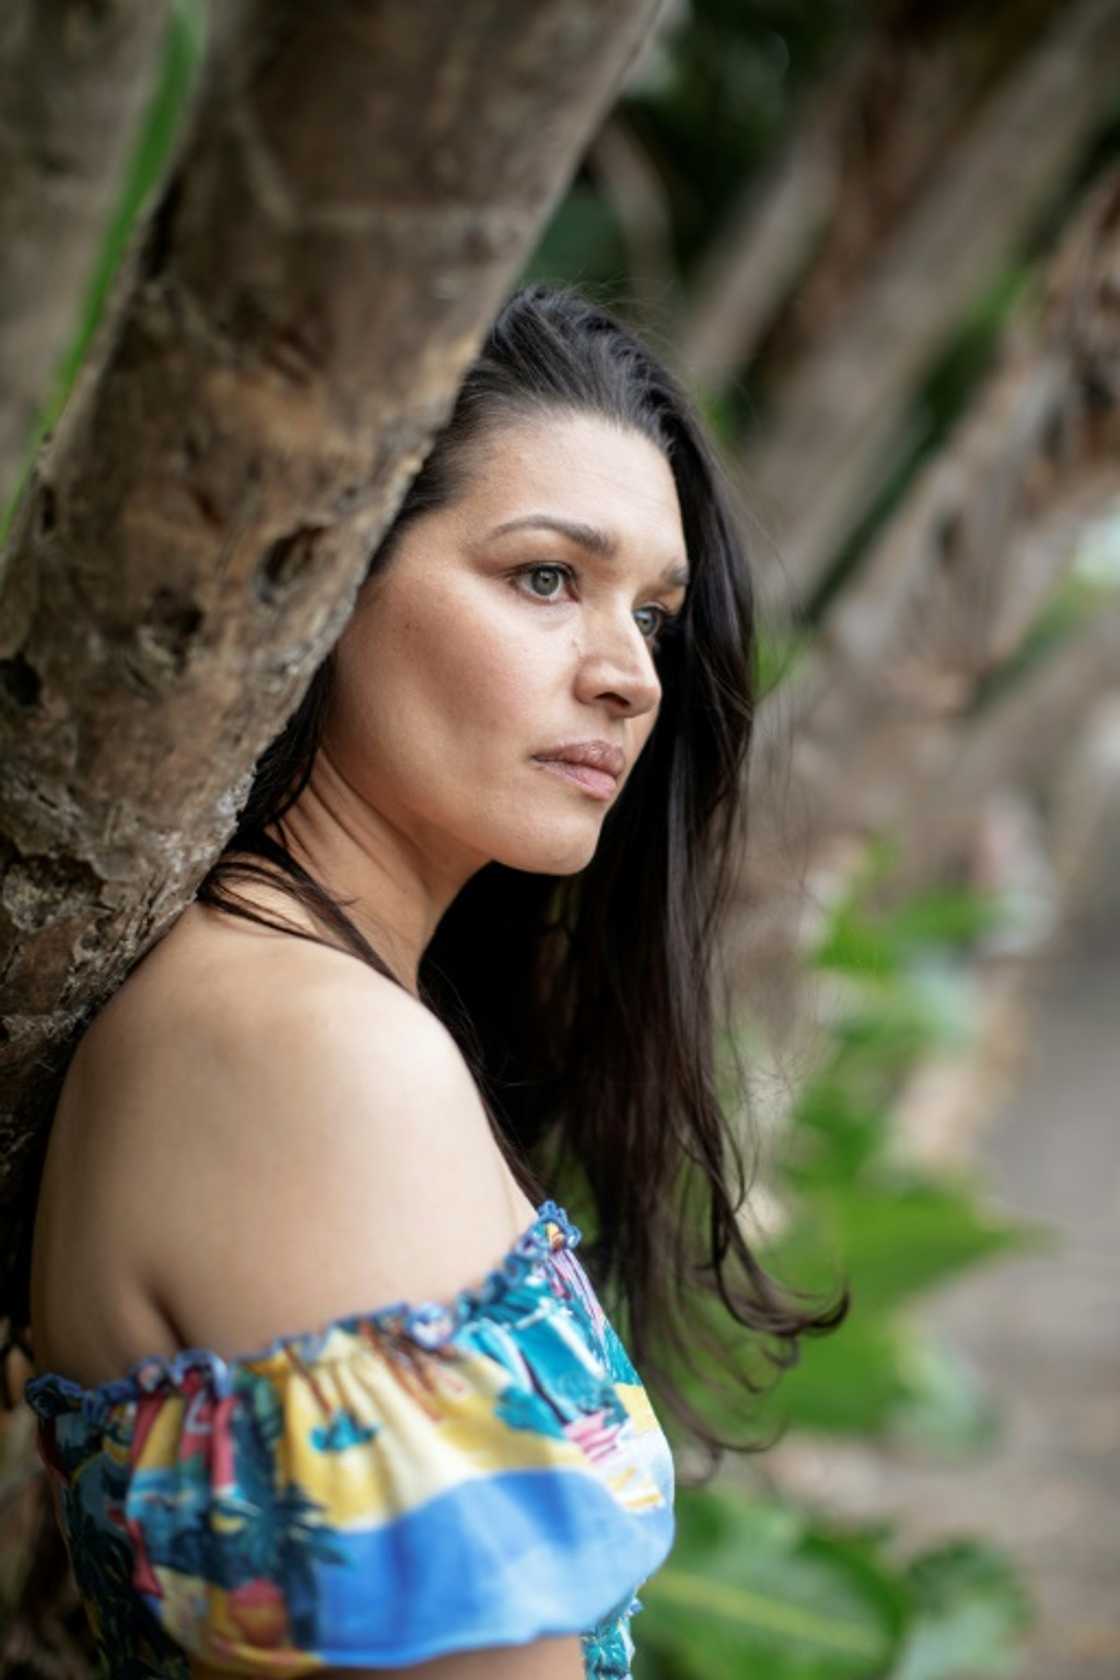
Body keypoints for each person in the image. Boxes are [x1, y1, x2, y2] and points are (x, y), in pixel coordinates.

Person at [20, 283, 847, 1679]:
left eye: (653, 612)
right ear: (323, 580)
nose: (629, 676)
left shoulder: (315, 1005)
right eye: (544, 578)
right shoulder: (310, 1055)